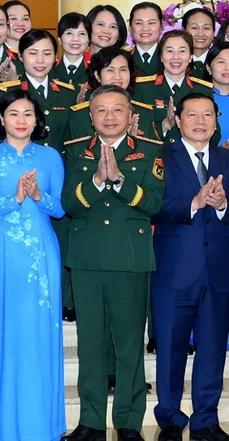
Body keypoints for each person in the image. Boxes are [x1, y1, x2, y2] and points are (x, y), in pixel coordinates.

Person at [61, 85, 165, 441]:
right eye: (101, 110)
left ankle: (128, 421)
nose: (109, 117)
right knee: (90, 344)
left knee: (129, 345)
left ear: (130, 115)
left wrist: (118, 180)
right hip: (87, 259)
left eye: (117, 110)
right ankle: (90, 421)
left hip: (129, 259)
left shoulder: (150, 152)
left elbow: (154, 203)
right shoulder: (76, 153)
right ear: (90, 117)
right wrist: (96, 180)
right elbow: (68, 205)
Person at [0, 88, 66, 441]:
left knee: (35, 335)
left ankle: (38, 423)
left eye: (28, 114)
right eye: (14, 113)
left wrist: (39, 196)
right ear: (0, 119)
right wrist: (14, 198)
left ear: (38, 120)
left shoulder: (51, 157)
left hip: (40, 252)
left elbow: (59, 208)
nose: (21, 120)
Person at [150, 92, 229, 441]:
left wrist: (224, 205)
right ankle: (169, 419)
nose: (200, 121)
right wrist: (194, 204)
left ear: (216, 121)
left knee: (212, 348)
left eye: (207, 115)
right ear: (178, 120)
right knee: (170, 348)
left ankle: (205, 419)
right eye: (192, 115)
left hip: (218, 271)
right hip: (174, 270)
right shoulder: (160, 157)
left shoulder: (227, 161)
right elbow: (152, 205)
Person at [128, 2, 164, 78]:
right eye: (138, 23)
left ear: (161, 26)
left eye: (151, 23)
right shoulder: (124, 58)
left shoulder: (170, 57)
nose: (145, 28)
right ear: (130, 27)